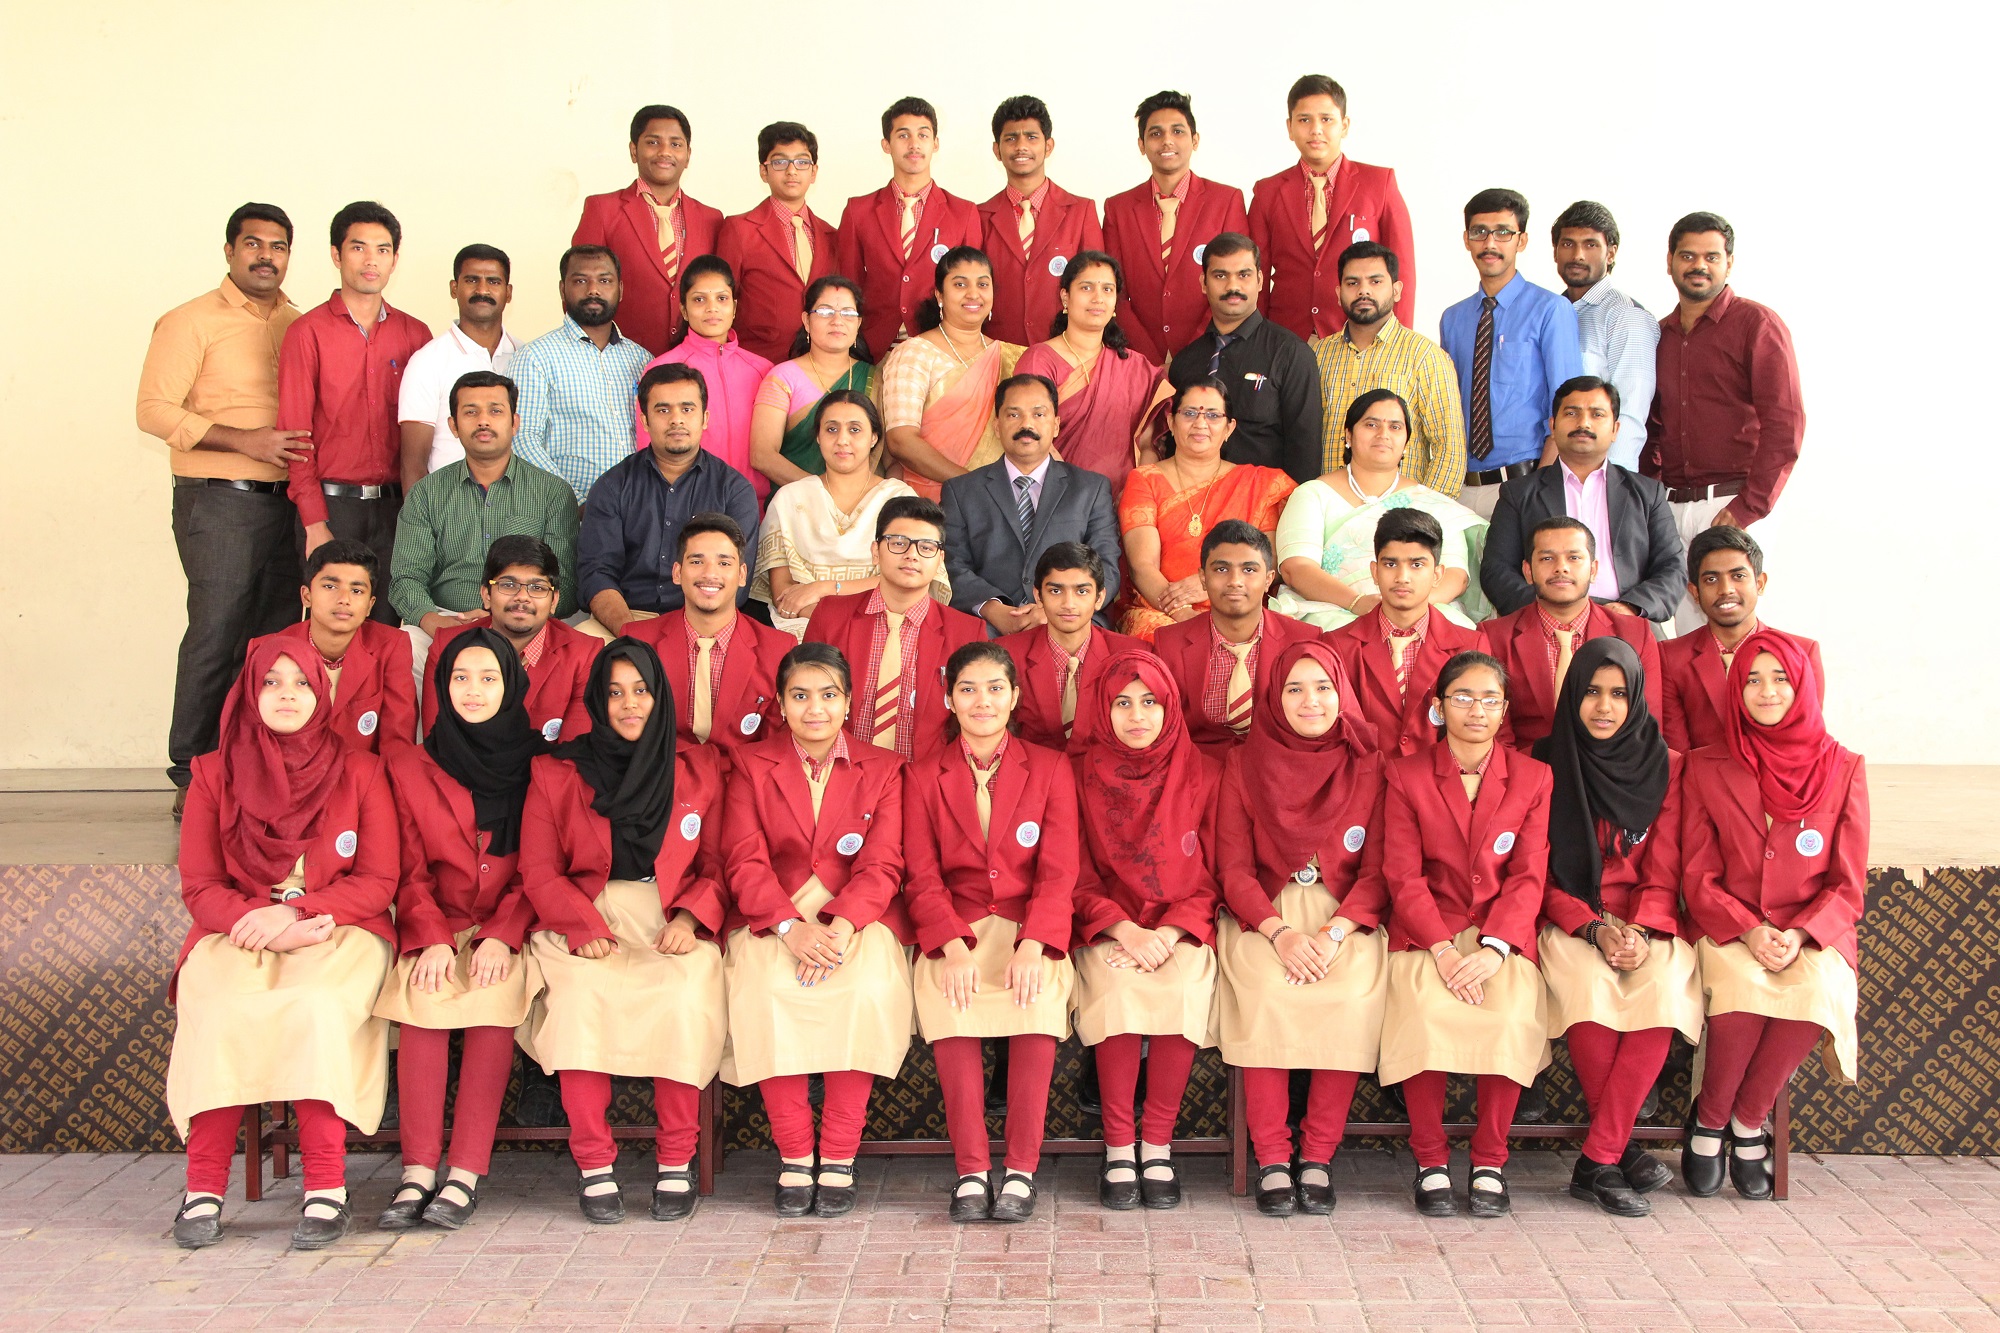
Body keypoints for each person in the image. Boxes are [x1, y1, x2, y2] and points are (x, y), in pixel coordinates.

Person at [164, 640, 396, 1250]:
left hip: (334, 927)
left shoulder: (360, 770)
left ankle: (326, 1187)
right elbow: (200, 885)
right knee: (219, 1009)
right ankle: (202, 1188)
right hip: (238, 929)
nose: (287, 694)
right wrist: (259, 920)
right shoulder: (212, 773)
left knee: (314, 1007)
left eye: (302, 682)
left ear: (323, 694)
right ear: (249, 691)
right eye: (271, 682)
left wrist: (295, 912)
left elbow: (378, 880)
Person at [517, 638, 731, 1223]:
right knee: (579, 1001)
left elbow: (718, 862)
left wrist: (691, 917)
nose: (629, 704)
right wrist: (581, 925)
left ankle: (676, 1160)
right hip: (588, 914)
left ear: (660, 696)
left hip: (669, 918)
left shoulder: (699, 768)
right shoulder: (557, 770)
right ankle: (594, 1164)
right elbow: (539, 870)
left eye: (640, 690)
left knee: (683, 996)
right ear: (597, 700)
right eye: (614, 693)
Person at [720, 643, 914, 1218]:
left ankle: (839, 1154)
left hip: (856, 913)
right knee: (765, 990)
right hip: (773, 911)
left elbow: (884, 863)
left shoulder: (884, 768)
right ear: (780, 704)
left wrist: (843, 926)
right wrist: (789, 927)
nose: (815, 709)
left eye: (829, 695)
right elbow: (743, 860)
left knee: (864, 990)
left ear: (849, 703)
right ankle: (794, 1154)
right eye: (800, 696)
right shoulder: (750, 765)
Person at [1680, 633, 1864, 1201]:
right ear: (1735, 690)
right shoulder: (1705, 765)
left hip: (1811, 930)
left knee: (1818, 990)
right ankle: (1710, 1116)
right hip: (1731, 926)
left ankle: (1747, 1120)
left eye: (1781, 678)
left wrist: (1801, 932)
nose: (1767, 691)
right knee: (1740, 989)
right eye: (1753, 680)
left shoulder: (1843, 766)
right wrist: (1750, 928)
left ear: (1803, 685)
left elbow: (1848, 883)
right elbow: (1697, 875)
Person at [372, 628, 542, 1232]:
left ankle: (465, 1172)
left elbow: (541, 865)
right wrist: (431, 936)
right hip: (438, 921)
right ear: (441, 687)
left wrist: (502, 933)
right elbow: (407, 866)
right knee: (425, 1002)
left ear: (511, 685)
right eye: (460, 678)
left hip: (509, 925)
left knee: (491, 1005)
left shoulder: (542, 764)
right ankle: (418, 1171)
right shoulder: (411, 764)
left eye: (488, 678)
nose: (473, 690)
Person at [138, 202, 306, 813]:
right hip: (218, 499)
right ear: (230, 250)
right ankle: (192, 773)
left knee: (273, 639)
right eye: (253, 244)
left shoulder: (298, 322)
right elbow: (153, 410)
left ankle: (252, 770)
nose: (266, 256)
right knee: (218, 632)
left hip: (287, 503)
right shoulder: (190, 320)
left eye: (278, 246)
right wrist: (245, 441)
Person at [904, 643, 1079, 1222]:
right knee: (950, 1003)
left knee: (1036, 1001)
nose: (983, 701)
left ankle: (1022, 1169)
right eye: (968, 689)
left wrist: (1035, 943)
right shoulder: (923, 775)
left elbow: (1059, 871)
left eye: (995, 688)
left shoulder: (1049, 767)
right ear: (949, 699)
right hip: (957, 927)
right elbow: (921, 876)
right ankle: (972, 1169)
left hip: (1029, 924)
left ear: (1015, 697)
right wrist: (951, 948)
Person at [1216, 641, 1389, 1216]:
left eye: (1323, 688)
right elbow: (1233, 870)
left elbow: (1379, 872)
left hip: (1345, 915)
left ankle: (1317, 1155)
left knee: (1349, 993)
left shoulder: (1369, 762)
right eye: (1294, 688)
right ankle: (1271, 1156)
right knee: (1266, 992)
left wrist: (1333, 933)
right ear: (1274, 697)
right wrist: (1280, 933)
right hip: (1265, 913)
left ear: (1342, 694)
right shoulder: (1244, 762)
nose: (1310, 701)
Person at [1379, 651, 1553, 1218]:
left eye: (1489, 700)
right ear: (1438, 706)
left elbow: (1528, 875)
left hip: (1500, 936)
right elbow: (1403, 876)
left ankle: (1489, 1160)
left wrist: (1496, 947)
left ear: (1504, 710)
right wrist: (1442, 950)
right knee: (1423, 1010)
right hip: (1427, 932)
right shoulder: (1405, 774)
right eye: (1462, 698)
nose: (1476, 710)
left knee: (1509, 1012)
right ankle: (1430, 1159)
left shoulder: (1533, 776)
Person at [1533, 638, 1701, 1216]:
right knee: (1588, 986)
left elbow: (1666, 867)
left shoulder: (1668, 766)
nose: (1604, 707)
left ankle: (1598, 1157)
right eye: (1592, 692)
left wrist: (1641, 930)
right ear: (1572, 696)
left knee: (1662, 989)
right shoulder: (1543, 763)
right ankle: (1616, 1150)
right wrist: (1594, 928)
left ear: (1638, 699)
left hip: (1648, 919)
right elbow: (1538, 872)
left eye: (1620, 694)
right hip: (1571, 917)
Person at [1071, 649, 1222, 1211]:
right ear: (1101, 709)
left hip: (1182, 925)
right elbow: (1073, 871)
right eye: (1122, 703)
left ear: (1171, 707)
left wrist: (1171, 932)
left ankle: (1156, 1143)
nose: (1137, 716)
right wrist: (1124, 930)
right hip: (1106, 925)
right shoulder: (1077, 773)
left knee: (1181, 987)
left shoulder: (1205, 772)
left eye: (1150, 702)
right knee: (1117, 991)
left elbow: (1215, 870)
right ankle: (1118, 1146)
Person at [1643, 213, 1805, 629]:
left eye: (1711, 257)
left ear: (1728, 263)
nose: (1699, 265)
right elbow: (1651, 430)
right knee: (1689, 635)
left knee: (1736, 631)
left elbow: (1785, 425)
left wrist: (1747, 507)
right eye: (1688, 256)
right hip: (1673, 507)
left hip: (1733, 502)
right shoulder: (1659, 336)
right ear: (1669, 262)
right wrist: (1653, 502)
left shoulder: (1756, 325)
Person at [279, 201, 431, 601]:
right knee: (333, 624)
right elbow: (295, 439)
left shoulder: (415, 335)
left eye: (382, 250)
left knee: (389, 624)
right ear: (336, 254)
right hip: (333, 509)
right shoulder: (306, 332)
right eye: (358, 247)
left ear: (395, 259)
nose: (371, 260)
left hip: (398, 510)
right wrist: (314, 522)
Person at [390, 371, 580, 680]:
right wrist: (435, 622)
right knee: (405, 648)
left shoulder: (552, 493)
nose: (483, 421)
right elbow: (406, 577)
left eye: (495, 411)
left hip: (529, 619)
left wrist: (512, 618)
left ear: (514, 423)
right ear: (453, 426)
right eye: (470, 412)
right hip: (449, 619)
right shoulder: (427, 493)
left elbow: (566, 584)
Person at [1271, 386, 1489, 631]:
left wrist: (1406, 610)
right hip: (1334, 612)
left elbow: (1456, 575)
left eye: (1395, 427)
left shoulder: (1432, 503)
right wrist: (1357, 603)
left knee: (1458, 636)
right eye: (1371, 424)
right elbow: (1296, 568)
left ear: (1405, 442)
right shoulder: (1312, 494)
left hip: (1423, 612)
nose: (1383, 434)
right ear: (1348, 435)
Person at [578, 364, 762, 638]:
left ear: (704, 418)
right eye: (663, 410)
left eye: (687, 409)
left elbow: (735, 580)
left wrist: (683, 635)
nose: (676, 420)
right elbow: (596, 572)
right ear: (645, 421)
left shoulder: (733, 490)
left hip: (705, 620)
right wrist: (631, 635)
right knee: (582, 649)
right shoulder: (613, 485)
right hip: (626, 617)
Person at [1480, 376, 1683, 622]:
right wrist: (1549, 610)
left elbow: (1672, 568)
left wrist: (1631, 608)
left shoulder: (1647, 494)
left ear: (1615, 429)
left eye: (1597, 414)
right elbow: (1496, 570)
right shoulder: (1518, 494)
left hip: (1626, 620)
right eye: (1572, 413)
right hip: (1544, 621)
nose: (1583, 423)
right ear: (1553, 426)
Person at [802, 496, 985, 762]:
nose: (912, 554)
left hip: (923, 775)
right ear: (875, 551)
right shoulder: (830, 615)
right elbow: (805, 699)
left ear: (940, 559)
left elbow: (974, 722)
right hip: (841, 770)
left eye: (926, 547)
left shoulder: (967, 632)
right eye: (898, 543)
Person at [1116, 377, 1296, 641]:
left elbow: (1271, 562)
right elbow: (1142, 566)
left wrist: (1212, 584)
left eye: (1213, 415)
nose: (1200, 423)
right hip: (1163, 609)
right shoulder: (1144, 479)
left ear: (1229, 428)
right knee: (1161, 637)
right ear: (1171, 423)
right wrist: (1183, 613)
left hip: (1240, 605)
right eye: (1189, 413)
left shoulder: (1259, 484)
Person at [1440, 189, 1582, 519]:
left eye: (1503, 232)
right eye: (1479, 232)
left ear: (1522, 240)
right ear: (1466, 239)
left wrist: (1541, 487)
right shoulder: (1453, 319)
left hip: (1525, 483)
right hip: (1461, 490)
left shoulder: (1551, 310)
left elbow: (1568, 407)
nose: (1490, 243)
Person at [942, 372, 1122, 633]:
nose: (1027, 424)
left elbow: (1106, 565)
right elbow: (952, 564)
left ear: (1056, 425)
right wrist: (995, 610)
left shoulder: (1091, 489)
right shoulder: (961, 491)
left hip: (1072, 620)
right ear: (997, 426)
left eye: (1039, 414)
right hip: (991, 624)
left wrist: (1057, 609)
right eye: (1014, 415)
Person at [751, 392, 937, 638]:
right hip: (806, 627)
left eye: (855, 430)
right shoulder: (789, 499)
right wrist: (834, 622)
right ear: (818, 437)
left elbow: (912, 579)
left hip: (886, 626)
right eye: (831, 429)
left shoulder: (899, 499)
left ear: (874, 438)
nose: (842, 440)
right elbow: (784, 595)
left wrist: (825, 588)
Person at [1248, 74, 1415, 340]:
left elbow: (1402, 270)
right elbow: (1254, 276)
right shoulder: (1267, 192)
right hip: (1286, 339)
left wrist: (1399, 342)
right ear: (1290, 127)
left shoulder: (1379, 184)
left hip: (1360, 337)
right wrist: (1255, 341)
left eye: (1326, 119)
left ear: (1344, 125)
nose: (1316, 129)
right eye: (1304, 120)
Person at [1484, 517, 1662, 750]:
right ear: (1528, 571)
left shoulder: (1634, 633)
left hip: (1614, 767)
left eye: (1574, 558)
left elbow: (1648, 726)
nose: (1561, 568)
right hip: (1529, 766)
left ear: (1593, 570)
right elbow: (1495, 735)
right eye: (1547, 558)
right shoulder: (1494, 637)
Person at [1324, 510, 1489, 758]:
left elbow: (1486, 734)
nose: (1402, 577)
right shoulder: (1337, 645)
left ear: (1437, 575)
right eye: (1390, 564)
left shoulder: (1471, 646)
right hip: (1365, 778)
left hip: (1440, 778)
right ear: (1374, 571)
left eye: (1417, 565)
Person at [1101, 91, 1249, 365]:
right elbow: (1114, 291)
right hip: (1139, 356)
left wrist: (1194, 352)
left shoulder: (1226, 201)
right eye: (1156, 133)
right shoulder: (1118, 208)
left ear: (1195, 140)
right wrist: (1148, 356)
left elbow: (1235, 283)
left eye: (1178, 131)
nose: (1167, 140)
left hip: (1212, 352)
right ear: (1141, 145)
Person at [1154, 521, 1321, 760]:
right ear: (1203, 578)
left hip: (1280, 764)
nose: (1235, 581)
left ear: (1268, 579)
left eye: (1249, 570)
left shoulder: (1305, 641)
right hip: (1198, 767)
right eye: (1221, 569)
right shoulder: (1169, 643)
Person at [623, 514, 793, 749]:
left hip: (741, 770)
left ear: (742, 575)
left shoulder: (779, 649)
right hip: (663, 769)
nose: (710, 574)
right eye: (696, 561)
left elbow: (775, 746)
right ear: (676, 573)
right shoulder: (637, 641)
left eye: (724, 563)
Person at [1166, 234, 1322, 483]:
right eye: (1220, 276)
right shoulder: (1186, 361)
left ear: (1260, 280)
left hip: (1264, 502)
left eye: (1243, 275)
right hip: (1191, 498)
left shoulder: (1291, 353)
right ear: (1204, 283)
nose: (1233, 286)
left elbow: (1305, 449)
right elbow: (1172, 444)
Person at [836, 96, 981, 359]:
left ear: (935, 143)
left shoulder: (964, 213)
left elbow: (972, 290)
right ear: (886, 144)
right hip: (873, 350)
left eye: (923, 135)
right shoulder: (858, 211)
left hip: (941, 350)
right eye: (903, 135)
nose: (914, 144)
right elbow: (847, 287)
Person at [1313, 241, 1464, 492]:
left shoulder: (1424, 356)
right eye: (1352, 283)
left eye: (1375, 281)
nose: (1363, 291)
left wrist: (1419, 511)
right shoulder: (1319, 355)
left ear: (1396, 290)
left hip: (1399, 510)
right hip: (1330, 506)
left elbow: (1450, 449)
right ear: (1338, 293)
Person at [1016, 250, 1169, 496]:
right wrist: (1080, 499)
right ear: (1065, 296)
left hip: (1124, 500)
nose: (1098, 298)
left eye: (1107, 289)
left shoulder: (1135, 366)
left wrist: (1136, 493)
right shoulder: (1039, 359)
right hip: (1054, 497)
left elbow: (1147, 443)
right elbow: (1032, 436)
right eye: (1086, 288)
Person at [571, 105, 722, 353]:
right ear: (634, 150)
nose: (665, 152)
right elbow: (578, 286)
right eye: (653, 142)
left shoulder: (711, 219)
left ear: (688, 155)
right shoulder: (602, 210)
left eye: (675, 144)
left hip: (692, 360)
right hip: (619, 356)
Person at [510, 245, 656, 503]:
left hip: (640, 507)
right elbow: (523, 440)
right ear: (562, 289)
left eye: (604, 280)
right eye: (580, 281)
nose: (593, 290)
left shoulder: (643, 361)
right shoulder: (535, 357)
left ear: (620, 289)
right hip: (569, 514)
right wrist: (575, 503)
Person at [878, 246, 1025, 500]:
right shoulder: (915, 353)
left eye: (983, 284)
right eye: (960, 284)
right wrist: (973, 485)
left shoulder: (1010, 357)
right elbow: (901, 441)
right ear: (940, 295)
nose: (973, 293)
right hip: (928, 505)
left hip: (1004, 501)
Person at [1661, 525, 1824, 752]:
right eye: (1711, 579)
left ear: (1760, 583)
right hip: (1703, 775)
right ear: (1695, 592)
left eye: (1738, 576)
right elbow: (1677, 755)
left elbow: (1804, 743)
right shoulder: (1670, 658)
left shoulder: (1802, 652)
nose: (1726, 589)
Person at [421, 536, 597, 745]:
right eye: (508, 585)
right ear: (486, 595)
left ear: (554, 601)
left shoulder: (584, 655)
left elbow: (573, 753)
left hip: (543, 766)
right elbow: (438, 743)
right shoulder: (447, 646)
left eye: (537, 588)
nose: (522, 596)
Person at [634, 255, 775, 503]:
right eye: (699, 299)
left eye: (722, 298)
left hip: (753, 505)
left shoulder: (763, 371)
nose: (712, 308)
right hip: (685, 504)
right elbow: (649, 448)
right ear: (684, 310)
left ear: (734, 307)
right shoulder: (662, 370)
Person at [254, 540, 416, 753]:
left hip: (362, 772)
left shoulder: (391, 646)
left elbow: (397, 744)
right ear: (306, 596)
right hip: (288, 769)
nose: (344, 599)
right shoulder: (266, 650)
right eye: (330, 586)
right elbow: (252, 739)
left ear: (370, 605)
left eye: (356, 590)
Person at [977, 95, 1105, 348]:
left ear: (1048, 146)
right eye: (1010, 138)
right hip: (998, 351)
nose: (1021, 146)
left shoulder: (1081, 212)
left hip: (1066, 351)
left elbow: (1095, 288)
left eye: (1031, 137)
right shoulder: (980, 216)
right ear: (997, 150)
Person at [997, 543, 1143, 751]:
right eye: (1056, 591)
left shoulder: (1134, 656)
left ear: (1099, 598)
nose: (1068, 604)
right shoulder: (1004, 657)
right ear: (1038, 596)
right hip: (1032, 769)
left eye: (1081, 591)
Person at [716, 121, 841, 364]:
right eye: (780, 162)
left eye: (802, 162)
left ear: (814, 172)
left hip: (818, 365)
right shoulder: (739, 230)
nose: (792, 171)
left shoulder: (832, 236)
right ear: (764, 171)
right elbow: (722, 299)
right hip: (757, 363)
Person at [397, 244, 520, 488]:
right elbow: (412, 466)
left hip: (518, 507)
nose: (482, 290)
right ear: (454, 288)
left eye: (493, 281)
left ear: (508, 293)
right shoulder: (428, 362)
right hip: (449, 506)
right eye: (472, 280)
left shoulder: (526, 358)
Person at [1550, 202, 1655, 470]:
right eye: (1568, 244)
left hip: (1598, 477)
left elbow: (1630, 414)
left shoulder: (1626, 316)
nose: (1578, 255)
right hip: (1550, 473)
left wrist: (1609, 484)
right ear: (1555, 251)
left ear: (1611, 253)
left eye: (1591, 245)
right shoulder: (1550, 313)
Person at [748, 277, 878, 487]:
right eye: (825, 312)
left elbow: (884, 457)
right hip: (797, 500)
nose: (837, 321)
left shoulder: (875, 378)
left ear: (858, 324)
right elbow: (762, 455)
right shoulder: (782, 378)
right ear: (807, 321)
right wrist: (822, 492)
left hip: (863, 500)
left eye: (847, 313)